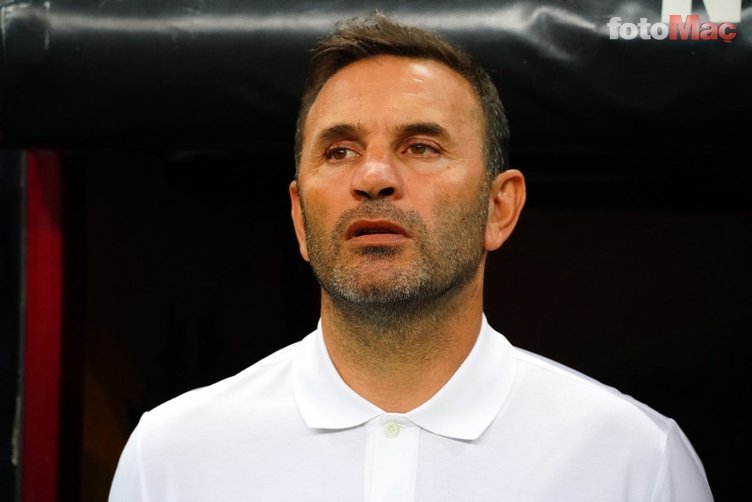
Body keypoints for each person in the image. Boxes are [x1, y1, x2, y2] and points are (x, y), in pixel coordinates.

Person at [109, 13, 713, 501]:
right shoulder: (172, 455)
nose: (373, 177)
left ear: (499, 208)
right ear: (298, 216)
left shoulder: (636, 459)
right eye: (340, 151)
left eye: (421, 146)